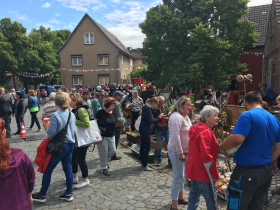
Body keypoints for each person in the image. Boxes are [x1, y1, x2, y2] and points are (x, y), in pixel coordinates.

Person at [219, 91, 280, 210]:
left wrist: (221, 146)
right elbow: (278, 148)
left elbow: (237, 138)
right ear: (262, 103)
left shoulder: (247, 115)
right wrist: (265, 161)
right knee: (257, 206)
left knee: (236, 206)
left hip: (247, 173)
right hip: (266, 172)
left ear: (245, 104)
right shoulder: (274, 120)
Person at [32, 92, 76, 203]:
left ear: (56, 103)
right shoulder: (72, 114)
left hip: (60, 146)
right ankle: (68, 193)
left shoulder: (56, 115)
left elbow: (51, 133)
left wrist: (46, 126)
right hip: (70, 144)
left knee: (47, 169)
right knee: (68, 169)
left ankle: (42, 195)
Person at [187, 105, 220, 210]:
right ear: (206, 117)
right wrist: (214, 174)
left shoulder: (198, 129)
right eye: (215, 115)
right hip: (204, 173)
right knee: (211, 200)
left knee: (194, 196)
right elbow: (206, 156)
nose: (217, 118)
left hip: (194, 170)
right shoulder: (205, 132)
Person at [0, 119, 35, 210]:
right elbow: (30, 179)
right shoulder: (20, 156)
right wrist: (29, 196)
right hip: (21, 204)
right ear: (4, 132)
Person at [167, 96, 192, 209]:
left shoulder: (185, 117)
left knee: (182, 176)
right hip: (177, 151)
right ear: (182, 105)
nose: (190, 108)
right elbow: (176, 137)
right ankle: (174, 204)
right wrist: (180, 152)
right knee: (178, 177)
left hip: (185, 152)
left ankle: (181, 197)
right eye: (188, 105)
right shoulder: (176, 117)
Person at [69, 93, 90, 189]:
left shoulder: (81, 110)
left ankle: (85, 180)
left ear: (75, 101)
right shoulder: (73, 110)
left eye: (70, 100)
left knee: (81, 159)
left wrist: (73, 120)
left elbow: (87, 124)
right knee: (73, 158)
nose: (69, 102)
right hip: (75, 138)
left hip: (82, 139)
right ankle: (74, 177)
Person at [139, 97, 164, 171]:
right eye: (156, 104)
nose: (156, 106)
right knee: (147, 148)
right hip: (146, 130)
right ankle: (144, 165)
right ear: (153, 103)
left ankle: (143, 162)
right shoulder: (148, 109)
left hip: (143, 129)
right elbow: (151, 120)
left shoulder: (146, 107)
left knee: (143, 147)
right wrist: (159, 117)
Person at [95, 97, 118, 176]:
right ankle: (104, 168)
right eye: (112, 105)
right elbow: (94, 122)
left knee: (113, 151)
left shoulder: (113, 113)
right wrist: (97, 129)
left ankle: (104, 162)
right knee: (103, 153)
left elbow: (114, 122)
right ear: (107, 105)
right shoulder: (100, 112)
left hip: (111, 135)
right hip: (102, 136)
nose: (113, 107)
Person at [153, 96, 171, 167]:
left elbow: (169, 114)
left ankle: (170, 160)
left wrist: (169, 116)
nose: (161, 104)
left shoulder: (165, 107)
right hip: (158, 129)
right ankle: (159, 160)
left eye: (163, 102)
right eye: (160, 103)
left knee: (169, 145)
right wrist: (158, 125)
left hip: (166, 129)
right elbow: (153, 120)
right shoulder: (154, 109)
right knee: (159, 145)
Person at [111, 91, 124, 161]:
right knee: (115, 140)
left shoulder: (110, 101)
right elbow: (119, 116)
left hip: (111, 123)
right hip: (116, 124)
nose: (121, 98)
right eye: (120, 96)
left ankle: (111, 153)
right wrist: (122, 125)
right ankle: (113, 155)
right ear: (116, 96)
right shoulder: (117, 104)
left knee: (111, 140)